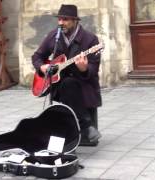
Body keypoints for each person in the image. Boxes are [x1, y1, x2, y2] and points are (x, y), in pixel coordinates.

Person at [31, 4, 102, 144]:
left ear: (75, 20)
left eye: (65, 19)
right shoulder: (53, 36)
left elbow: (94, 68)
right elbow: (37, 56)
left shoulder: (90, 39)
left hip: (83, 83)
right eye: (59, 19)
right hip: (59, 84)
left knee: (69, 85)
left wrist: (84, 69)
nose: (61, 23)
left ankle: (79, 130)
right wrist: (43, 67)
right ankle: (87, 127)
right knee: (67, 85)